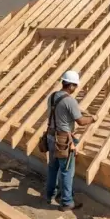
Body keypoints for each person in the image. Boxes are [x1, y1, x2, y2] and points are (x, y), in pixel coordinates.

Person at [44, 70, 96, 211]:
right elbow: (81, 121)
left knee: (52, 168)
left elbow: (60, 113)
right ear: (71, 85)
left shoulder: (52, 96)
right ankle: (67, 202)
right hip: (63, 142)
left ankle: (50, 195)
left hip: (50, 137)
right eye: (75, 86)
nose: (76, 88)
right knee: (67, 171)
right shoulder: (70, 100)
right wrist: (93, 118)